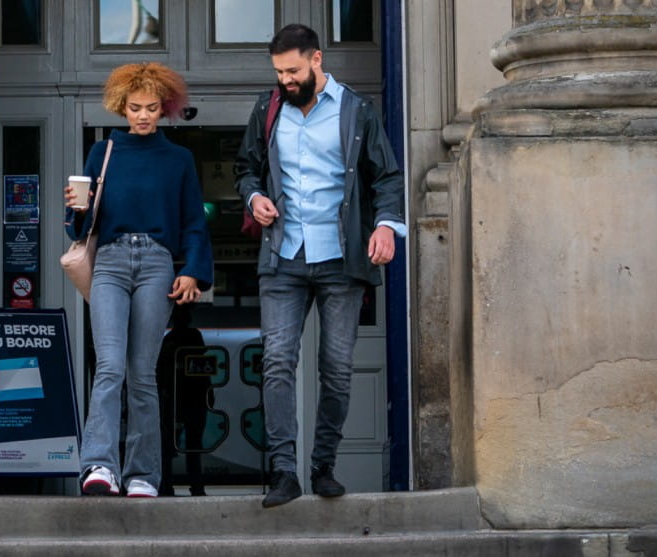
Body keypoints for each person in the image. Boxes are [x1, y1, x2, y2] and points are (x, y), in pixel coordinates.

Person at [234, 24, 405, 508]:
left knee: (337, 368)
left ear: (316, 60)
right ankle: (284, 472)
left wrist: (386, 226)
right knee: (276, 362)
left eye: (292, 70)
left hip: (341, 257)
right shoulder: (268, 109)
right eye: (279, 72)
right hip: (283, 255)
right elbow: (245, 167)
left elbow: (386, 177)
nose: (285, 80)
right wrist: (255, 196)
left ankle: (323, 466)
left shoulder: (356, 111)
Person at [65, 62, 214, 498]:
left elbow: (193, 222)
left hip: (157, 263)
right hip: (109, 261)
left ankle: (144, 475)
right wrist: (76, 209)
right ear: (121, 107)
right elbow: (79, 229)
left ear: (163, 107)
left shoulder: (179, 159)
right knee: (109, 367)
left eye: (151, 107)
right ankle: (99, 466)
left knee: (143, 373)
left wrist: (193, 272)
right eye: (135, 108)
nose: (143, 115)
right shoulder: (103, 153)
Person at [156, 304, 211, 496]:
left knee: (178, 445)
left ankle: (171, 484)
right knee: (179, 446)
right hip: (181, 397)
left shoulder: (171, 340)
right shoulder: (177, 339)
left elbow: (201, 365)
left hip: (183, 397)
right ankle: (190, 485)